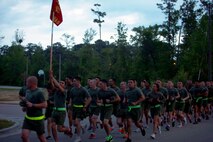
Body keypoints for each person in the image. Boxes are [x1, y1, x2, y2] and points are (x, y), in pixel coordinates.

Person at [20, 76, 47, 142]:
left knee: (41, 138)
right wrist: (25, 107)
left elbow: (45, 105)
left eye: (27, 82)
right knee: (24, 136)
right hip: (28, 119)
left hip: (38, 120)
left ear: (31, 83)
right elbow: (28, 103)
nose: (26, 83)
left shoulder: (39, 92)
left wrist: (32, 105)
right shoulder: (27, 91)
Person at [49, 71, 72, 142]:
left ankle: (68, 129)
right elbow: (52, 85)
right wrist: (51, 77)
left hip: (61, 112)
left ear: (64, 85)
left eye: (62, 83)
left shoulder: (65, 91)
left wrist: (52, 77)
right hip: (54, 111)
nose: (60, 83)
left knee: (59, 129)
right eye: (60, 82)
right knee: (53, 126)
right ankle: (56, 140)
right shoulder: (56, 91)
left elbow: (58, 86)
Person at [69, 76, 92, 142]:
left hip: (81, 108)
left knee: (77, 122)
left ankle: (78, 137)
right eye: (73, 81)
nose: (73, 82)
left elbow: (89, 98)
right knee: (74, 123)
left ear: (79, 81)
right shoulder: (72, 89)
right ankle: (82, 126)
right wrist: (70, 104)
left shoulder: (83, 89)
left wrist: (85, 106)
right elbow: (71, 98)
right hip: (74, 108)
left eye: (74, 81)